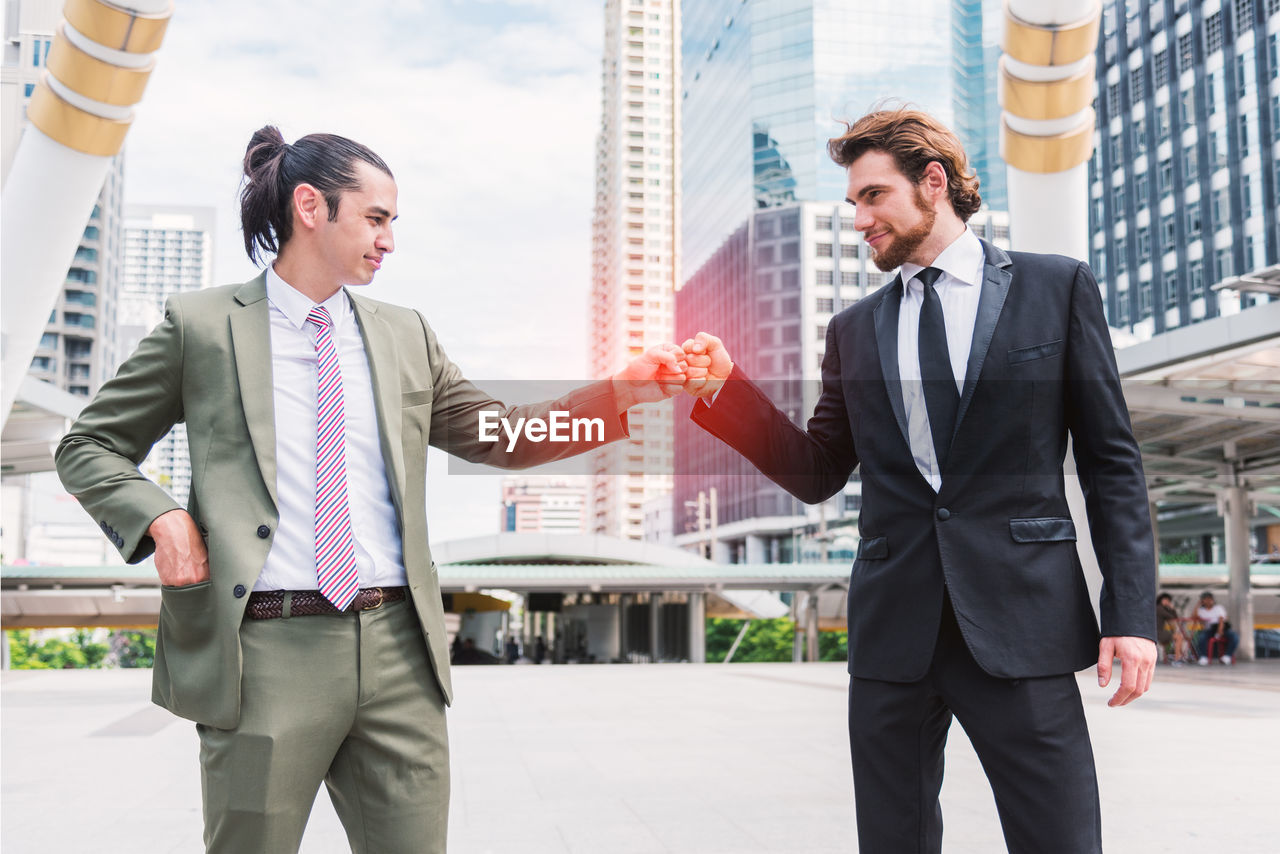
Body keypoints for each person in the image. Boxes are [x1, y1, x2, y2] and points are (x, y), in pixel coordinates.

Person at [54, 127, 686, 854]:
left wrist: (626, 392)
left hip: (398, 654)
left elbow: (504, 436)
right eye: (376, 218)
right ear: (310, 207)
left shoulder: (405, 334)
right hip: (265, 652)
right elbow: (88, 444)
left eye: (394, 223)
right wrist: (160, 517)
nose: (389, 240)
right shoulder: (201, 327)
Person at [679, 108, 1157, 853]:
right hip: (893, 631)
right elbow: (818, 472)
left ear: (933, 183)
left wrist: (1130, 613)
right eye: (854, 203)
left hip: (1019, 621)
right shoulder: (854, 330)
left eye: (873, 196)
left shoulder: (1052, 289)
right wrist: (724, 392)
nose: (860, 218)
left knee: (1059, 838)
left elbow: (1111, 463)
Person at [1193, 591, 1238, 665]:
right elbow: (1193, 616)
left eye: (1210, 599)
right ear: (1202, 601)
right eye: (1205, 599)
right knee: (1201, 637)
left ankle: (1227, 656)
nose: (1208, 601)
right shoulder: (1201, 610)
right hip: (1209, 629)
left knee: (1235, 637)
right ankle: (1203, 657)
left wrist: (1219, 631)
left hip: (1221, 627)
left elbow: (1221, 620)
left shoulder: (1218, 608)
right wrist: (1198, 605)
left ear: (1213, 600)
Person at [1156, 592, 1189, 664]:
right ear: (1162, 600)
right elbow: (1173, 617)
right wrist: (1172, 608)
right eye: (1166, 600)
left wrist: (1171, 609)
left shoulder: (1159, 608)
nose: (1167, 602)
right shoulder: (1159, 608)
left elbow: (1174, 618)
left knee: (1176, 636)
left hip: (1157, 632)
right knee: (1179, 637)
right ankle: (1177, 659)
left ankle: (1178, 657)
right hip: (1158, 633)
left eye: (1168, 600)